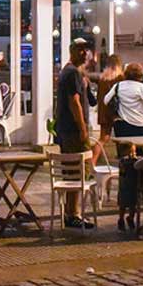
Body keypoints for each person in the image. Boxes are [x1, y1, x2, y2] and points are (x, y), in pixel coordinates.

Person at [53, 41, 94, 229]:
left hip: (66, 129)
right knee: (79, 171)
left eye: (86, 49)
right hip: (73, 131)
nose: (84, 52)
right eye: (80, 49)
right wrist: (83, 128)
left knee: (71, 171)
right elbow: (74, 102)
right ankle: (74, 213)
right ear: (72, 51)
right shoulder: (72, 73)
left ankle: (71, 213)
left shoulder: (70, 72)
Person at [104, 63, 143, 147]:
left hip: (122, 124)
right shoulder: (142, 87)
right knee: (141, 154)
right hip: (141, 123)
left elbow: (106, 100)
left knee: (125, 153)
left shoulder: (118, 85)